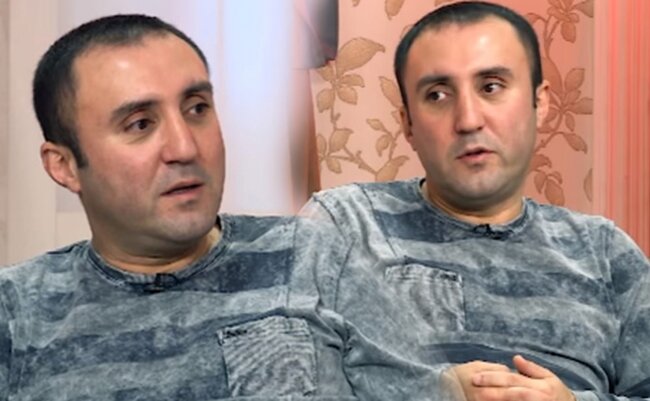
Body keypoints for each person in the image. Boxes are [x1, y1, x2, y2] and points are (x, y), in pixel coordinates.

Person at [0, 14, 438, 400]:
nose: (185, 147)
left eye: (197, 109)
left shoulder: (317, 255)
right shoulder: (16, 310)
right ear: (64, 166)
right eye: (140, 124)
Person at [305, 2, 650, 401]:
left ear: (540, 103)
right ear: (408, 124)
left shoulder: (603, 251)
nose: (468, 120)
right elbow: (281, 381)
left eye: (491, 87)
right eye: (437, 95)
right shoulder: (344, 225)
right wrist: (432, 393)